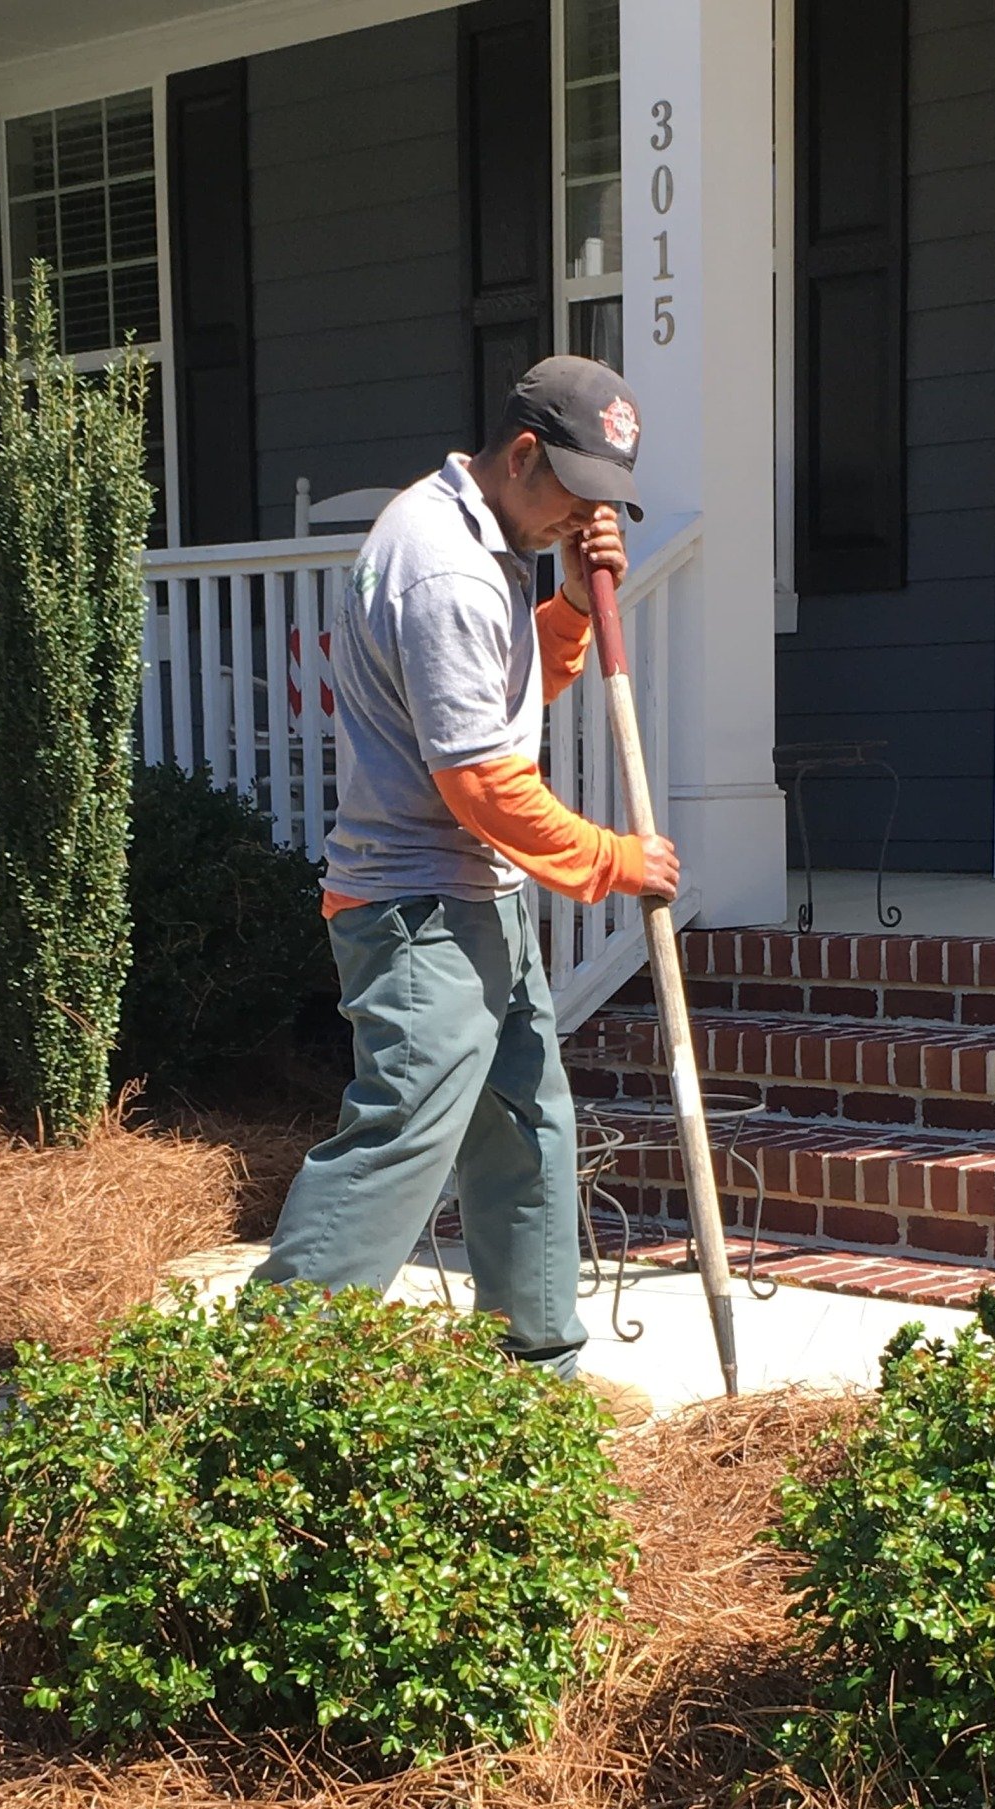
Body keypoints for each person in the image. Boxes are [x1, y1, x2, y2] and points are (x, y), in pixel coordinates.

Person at [253, 355, 678, 1381]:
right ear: (523, 452)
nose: (584, 514)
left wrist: (574, 603)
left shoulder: (486, 538)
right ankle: (260, 1386)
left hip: (476, 894)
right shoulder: (442, 564)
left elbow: (503, 696)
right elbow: (482, 781)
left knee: (528, 1125)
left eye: (605, 496)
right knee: (404, 1138)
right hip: (414, 907)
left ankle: (536, 1369)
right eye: (575, 489)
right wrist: (614, 860)